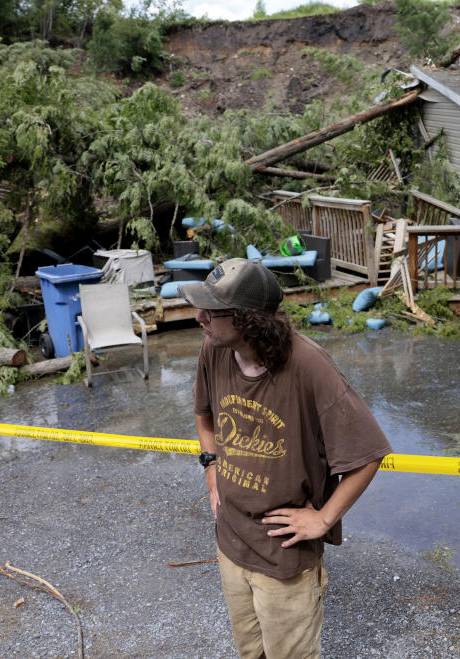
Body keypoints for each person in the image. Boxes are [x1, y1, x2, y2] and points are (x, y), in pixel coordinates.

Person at [180, 258, 392, 659]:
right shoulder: (214, 349)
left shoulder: (308, 365)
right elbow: (204, 413)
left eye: (210, 310)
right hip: (230, 541)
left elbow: (369, 454)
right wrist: (211, 467)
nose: (198, 317)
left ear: (245, 319)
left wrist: (324, 519)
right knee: (250, 652)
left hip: (284, 556)